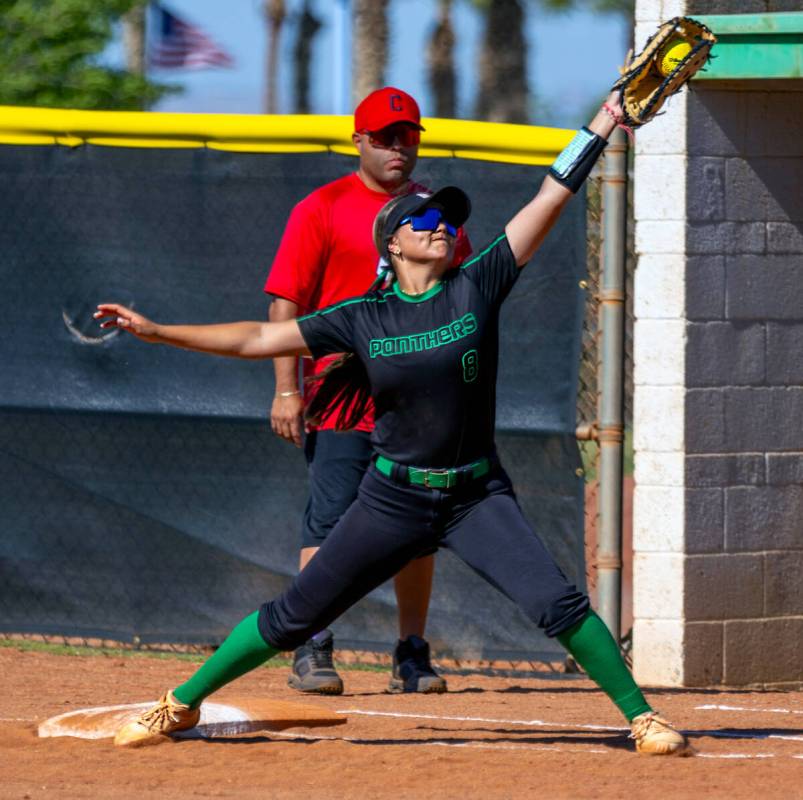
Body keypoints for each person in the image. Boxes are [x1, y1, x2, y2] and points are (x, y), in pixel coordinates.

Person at [96, 86, 690, 757]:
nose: (440, 224)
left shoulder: (478, 283)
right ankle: (177, 705)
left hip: (473, 495)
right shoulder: (363, 317)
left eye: (446, 219)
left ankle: (642, 718)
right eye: (424, 219)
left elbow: (551, 194)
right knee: (294, 618)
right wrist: (159, 331)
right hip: (392, 496)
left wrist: (604, 120)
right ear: (392, 244)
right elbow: (256, 339)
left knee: (556, 605)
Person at [265, 86, 471, 696]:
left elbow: (458, 296)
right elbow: (287, 304)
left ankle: (411, 651)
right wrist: (285, 389)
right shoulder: (322, 207)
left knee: (419, 524)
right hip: (340, 392)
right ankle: (314, 642)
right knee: (329, 520)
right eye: (384, 136)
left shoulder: (437, 213)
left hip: (417, 399)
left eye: (407, 136)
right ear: (358, 140)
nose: (397, 147)